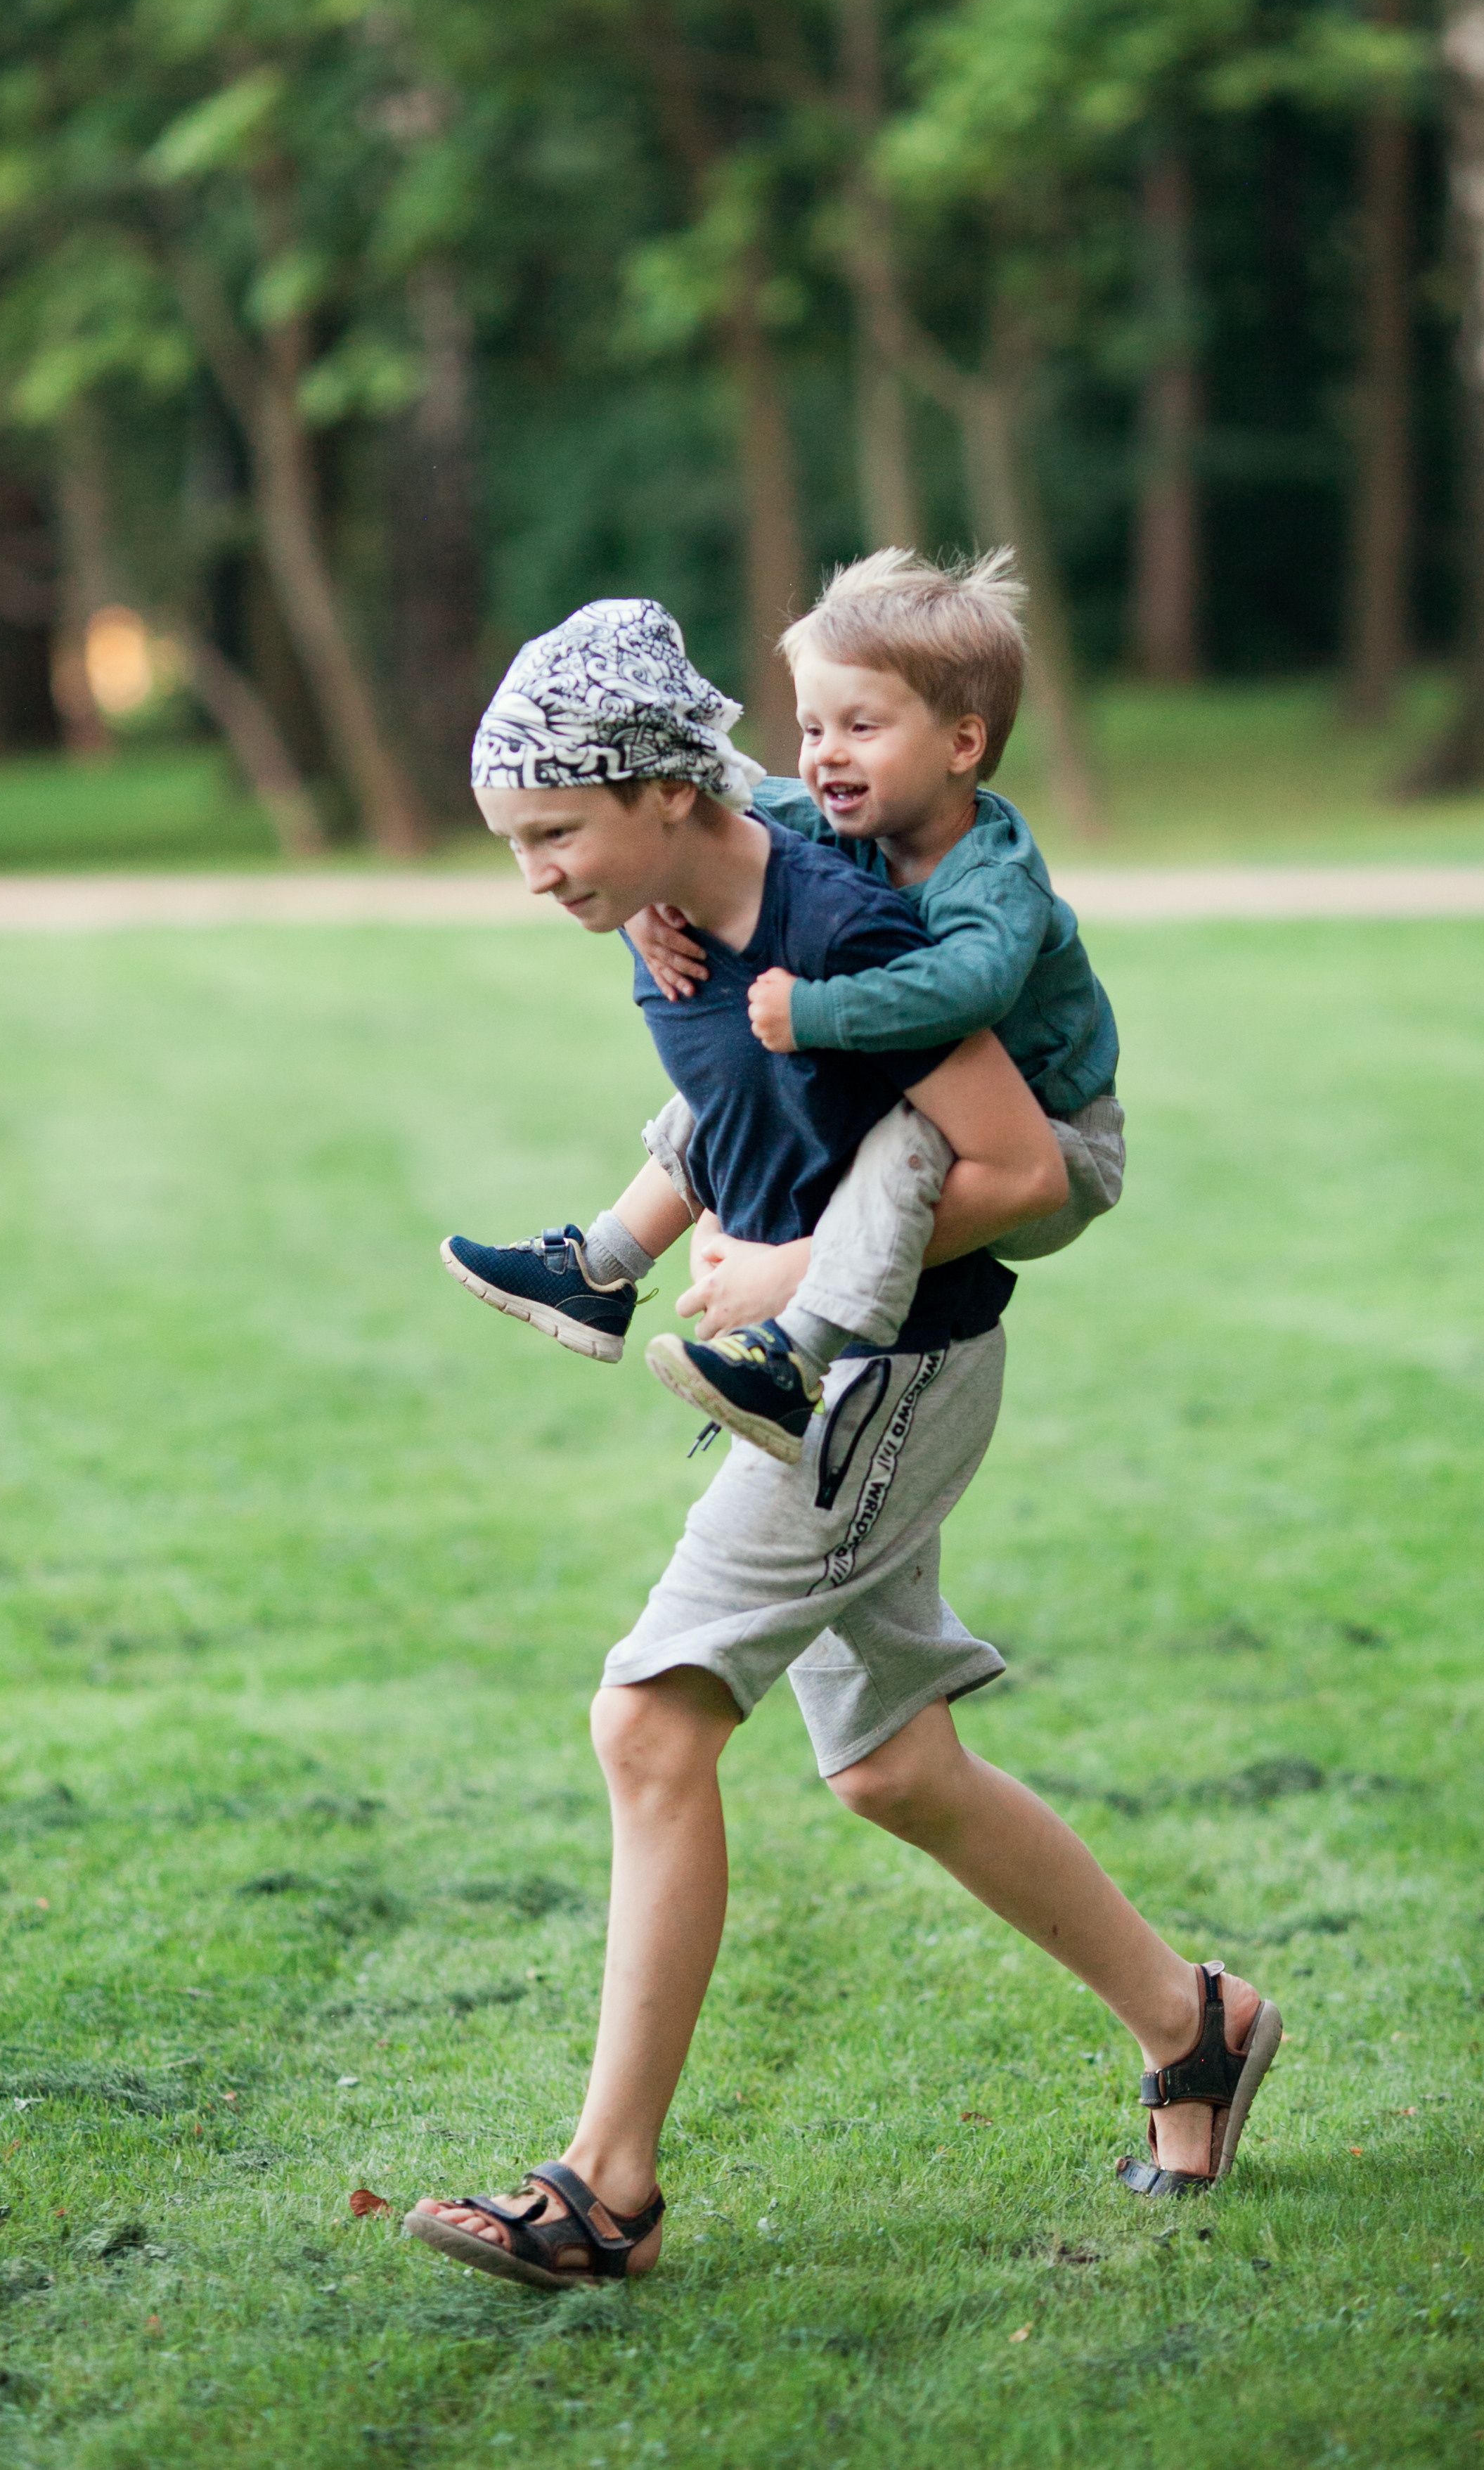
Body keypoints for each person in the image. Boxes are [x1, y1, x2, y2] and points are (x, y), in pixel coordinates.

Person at [402, 600, 1281, 2292]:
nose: (533, 874)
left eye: (554, 833)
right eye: (517, 840)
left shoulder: (847, 922)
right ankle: (1197, 2025)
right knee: (891, 1767)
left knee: (648, 1724)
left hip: (873, 1380)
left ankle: (606, 2187)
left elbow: (1022, 1179)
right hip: (827, 1368)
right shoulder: (674, 900)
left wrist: (789, 1275)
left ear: (668, 790)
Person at [442, 551, 1125, 1464]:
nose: (823, 754)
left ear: (961, 745)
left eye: (859, 726)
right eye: (810, 726)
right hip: (946, 1096)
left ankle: (791, 1353)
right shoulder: (831, 815)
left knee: (884, 1126)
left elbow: (970, 990)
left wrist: (813, 1014)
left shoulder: (989, 876)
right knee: (746, 1063)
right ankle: (598, 1265)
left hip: (1059, 1132)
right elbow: (680, 813)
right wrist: (638, 908)